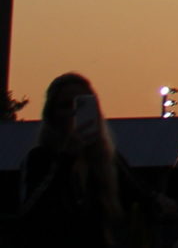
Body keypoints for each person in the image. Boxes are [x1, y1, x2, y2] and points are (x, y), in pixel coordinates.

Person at [18, 72, 158, 248]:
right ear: (52, 115)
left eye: (82, 105)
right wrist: (65, 161)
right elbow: (31, 212)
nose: (74, 113)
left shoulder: (109, 161)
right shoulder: (39, 158)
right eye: (66, 105)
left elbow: (144, 197)